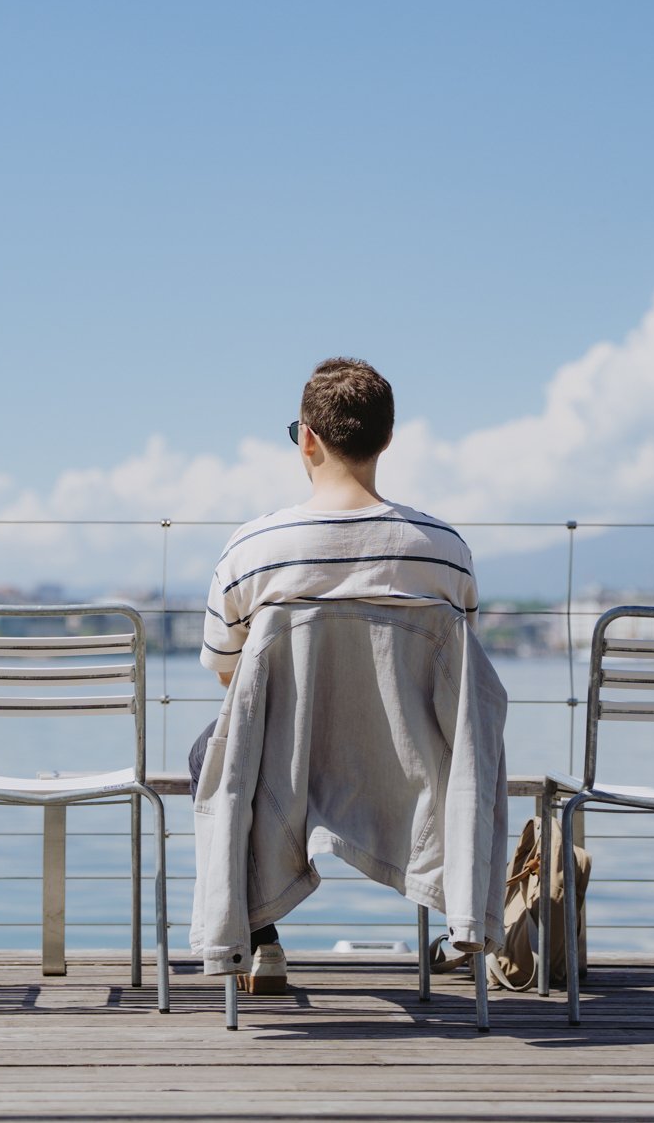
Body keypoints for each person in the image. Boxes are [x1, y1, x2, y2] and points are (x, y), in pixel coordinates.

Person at [189, 357, 479, 993]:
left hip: (284, 776)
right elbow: (459, 684)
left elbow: (231, 685)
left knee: (207, 750)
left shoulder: (252, 551)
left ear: (308, 439)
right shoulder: (445, 553)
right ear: (387, 440)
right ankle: (458, 923)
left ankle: (259, 942)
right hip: (414, 776)